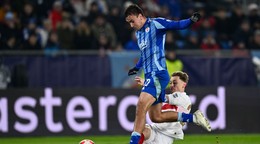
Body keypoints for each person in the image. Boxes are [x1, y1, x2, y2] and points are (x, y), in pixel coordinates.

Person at [124, 4, 211, 144]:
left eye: (132, 21)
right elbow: (144, 53)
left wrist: (191, 20)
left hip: (158, 74)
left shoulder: (156, 23)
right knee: (156, 117)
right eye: (129, 22)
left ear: (140, 16)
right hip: (149, 75)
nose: (131, 25)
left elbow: (177, 25)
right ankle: (194, 118)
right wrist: (137, 67)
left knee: (141, 105)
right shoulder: (138, 33)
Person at [135, 71, 191, 144]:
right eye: (170, 83)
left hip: (165, 135)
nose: (172, 85)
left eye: (175, 83)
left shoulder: (184, 98)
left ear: (184, 85)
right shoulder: (170, 98)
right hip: (155, 129)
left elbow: (163, 97)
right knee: (141, 131)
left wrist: (148, 85)